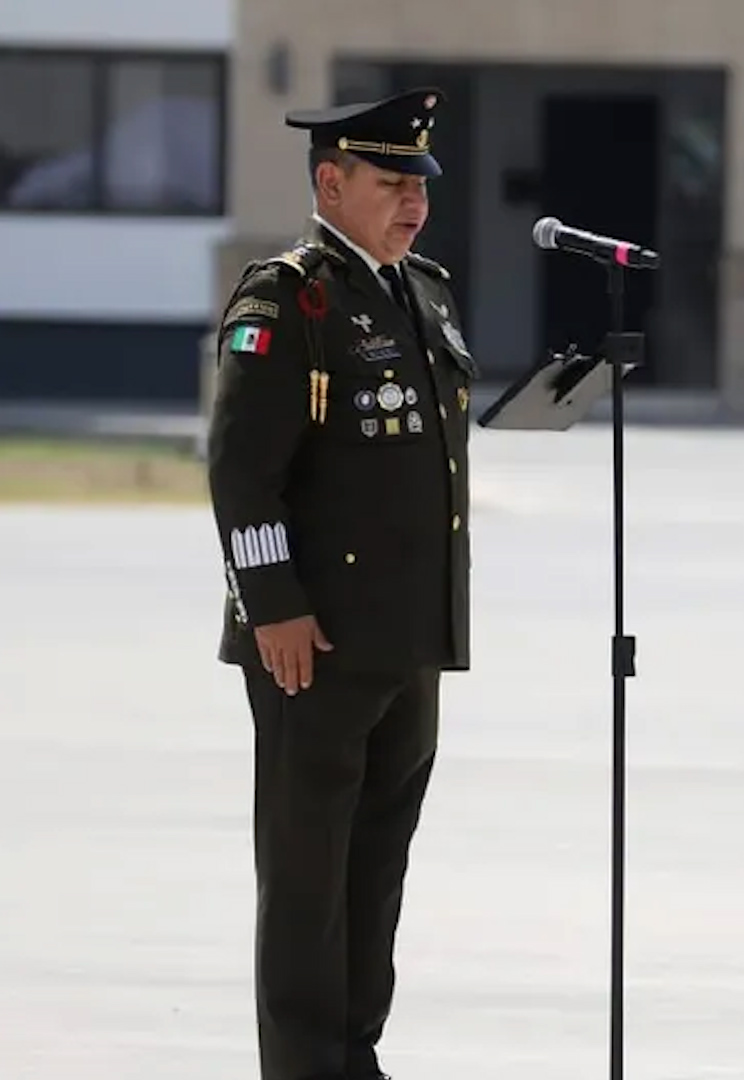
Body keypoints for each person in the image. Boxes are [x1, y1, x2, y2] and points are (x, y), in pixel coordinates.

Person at [205, 85, 478, 1080]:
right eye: (390, 180)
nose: (413, 201)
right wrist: (272, 605)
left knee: (377, 866)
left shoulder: (426, 291)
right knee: (308, 874)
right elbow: (242, 471)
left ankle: (354, 1052)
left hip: (406, 638)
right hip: (312, 646)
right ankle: (304, 1066)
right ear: (332, 180)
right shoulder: (291, 297)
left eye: (420, 183)